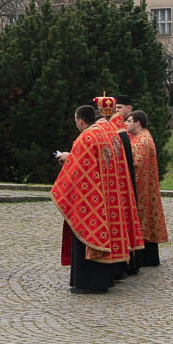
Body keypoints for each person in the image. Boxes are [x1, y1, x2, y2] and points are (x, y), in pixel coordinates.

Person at [50, 100, 143, 294]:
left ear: (80, 121)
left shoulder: (87, 137)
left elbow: (79, 168)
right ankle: (99, 280)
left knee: (86, 239)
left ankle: (88, 283)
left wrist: (66, 165)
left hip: (90, 198)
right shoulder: (103, 133)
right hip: (103, 195)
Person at [122, 108, 168, 268]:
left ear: (138, 123)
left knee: (142, 221)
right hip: (144, 189)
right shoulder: (140, 137)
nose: (125, 124)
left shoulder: (142, 140)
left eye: (128, 121)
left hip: (141, 190)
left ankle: (142, 258)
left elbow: (134, 163)